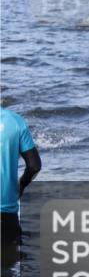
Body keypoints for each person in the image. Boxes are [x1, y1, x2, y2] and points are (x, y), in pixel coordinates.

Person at [1, 107, 42, 253]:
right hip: (6, 216)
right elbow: (34, 166)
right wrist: (21, 186)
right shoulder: (15, 121)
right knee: (8, 271)